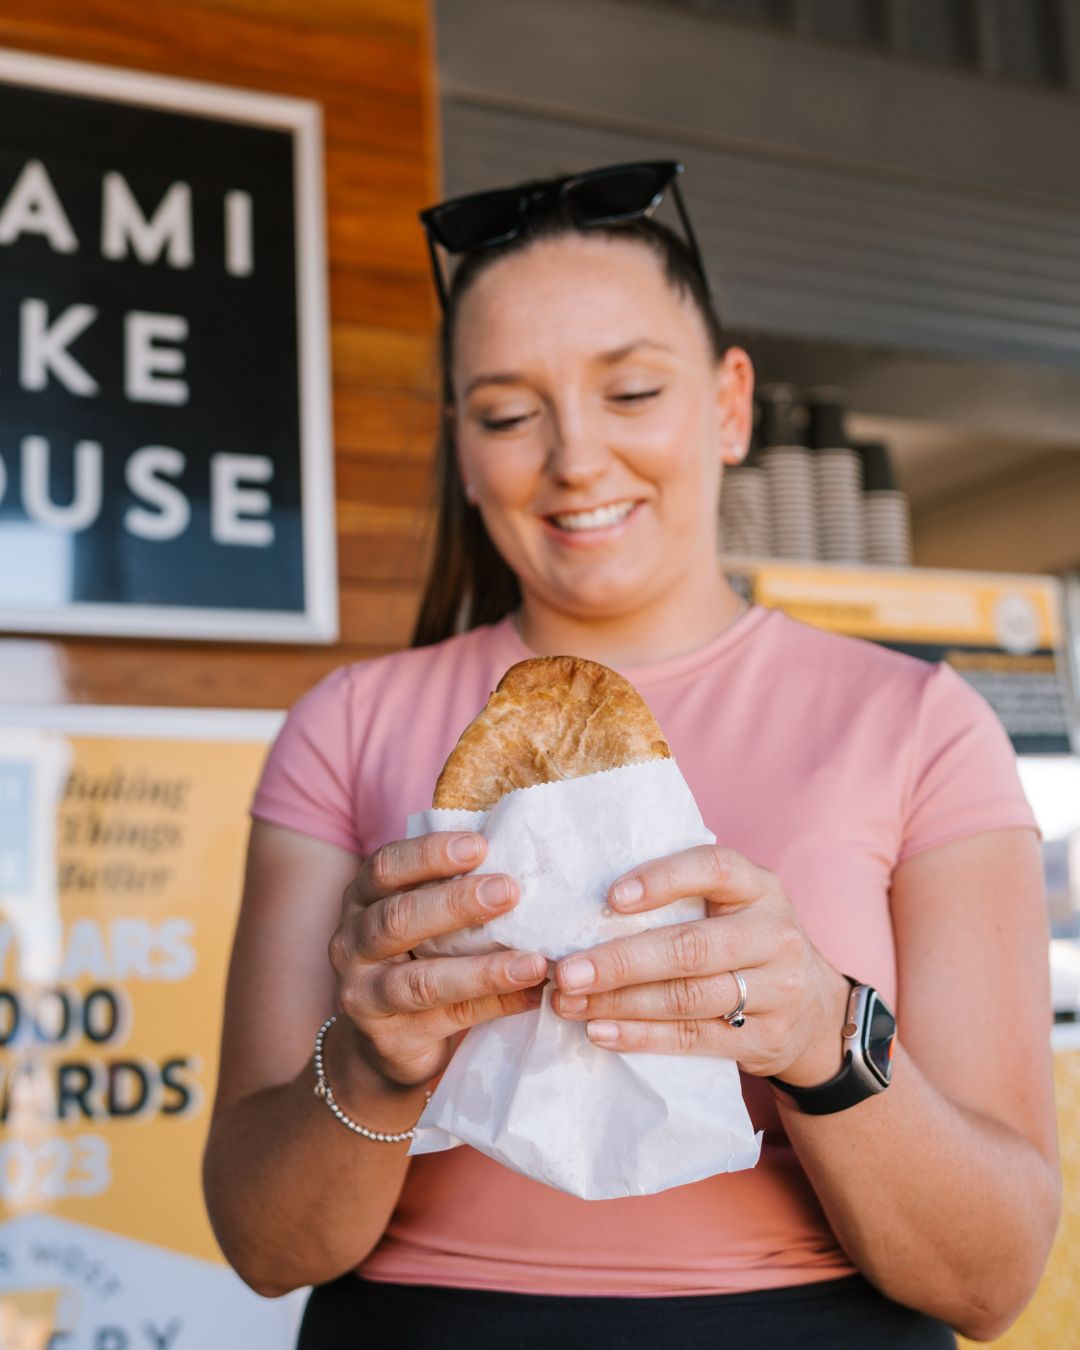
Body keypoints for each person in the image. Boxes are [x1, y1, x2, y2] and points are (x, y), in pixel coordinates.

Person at [202, 161, 1060, 1348]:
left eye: (633, 391)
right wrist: (374, 1062)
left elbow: (991, 1277)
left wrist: (821, 1032)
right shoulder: (347, 725)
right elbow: (262, 1245)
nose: (575, 460)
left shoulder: (918, 723)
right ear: (463, 445)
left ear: (728, 402)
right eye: (508, 413)